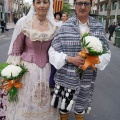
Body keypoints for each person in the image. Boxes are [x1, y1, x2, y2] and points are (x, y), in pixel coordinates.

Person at [49, 0, 111, 120]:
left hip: (87, 75)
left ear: (91, 6)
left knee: (80, 107)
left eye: (86, 3)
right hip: (66, 75)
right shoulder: (64, 27)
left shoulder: (98, 27)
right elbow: (52, 52)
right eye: (79, 3)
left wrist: (93, 60)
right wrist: (69, 59)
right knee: (64, 107)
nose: (83, 6)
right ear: (75, 5)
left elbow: (106, 52)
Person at [6, 0, 59, 120]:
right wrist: (13, 75)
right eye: (38, 2)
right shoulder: (24, 23)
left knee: (44, 100)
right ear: (33, 4)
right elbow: (16, 49)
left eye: (45, 2)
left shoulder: (54, 25)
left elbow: (56, 50)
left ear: (49, 5)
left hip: (47, 71)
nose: (42, 5)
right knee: (27, 100)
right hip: (27, 70)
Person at [49, 12, 69, 95]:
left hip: (65, 48)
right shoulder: (58, 24)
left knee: (62, 67)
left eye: (65, 16)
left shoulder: (70, 25)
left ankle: (61, 86)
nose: (63, 17)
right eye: (63, 16)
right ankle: (51, 85)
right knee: (54, 66)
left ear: (67, 17)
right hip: (56, 46)